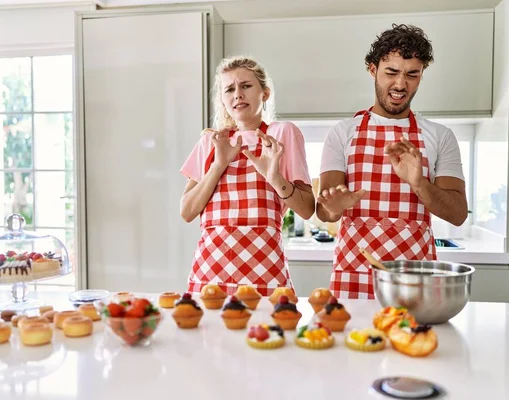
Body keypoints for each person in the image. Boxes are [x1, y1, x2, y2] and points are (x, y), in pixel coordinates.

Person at [316, 24, 468, 299]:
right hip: (354, 272)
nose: (400, 84)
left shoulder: (440, 136)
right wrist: (334, 207)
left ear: (421, 76)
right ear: (372, 69)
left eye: (412, 74)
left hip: (414, 277)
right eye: (391, 72)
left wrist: (419, 182)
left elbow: (457, 214)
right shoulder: (342, 133)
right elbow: (325, 212)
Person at [180, 56, 315, 296]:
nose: (238, 94)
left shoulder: (281, 134)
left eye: (246, 86)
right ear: (222, 99)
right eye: (229, 89)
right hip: (210, 274)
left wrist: (274, 178)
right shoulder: (211, 142)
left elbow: (306, 209)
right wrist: (219, 164)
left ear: (265, 93)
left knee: (269, 334)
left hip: (265, 272)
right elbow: (187, 211)